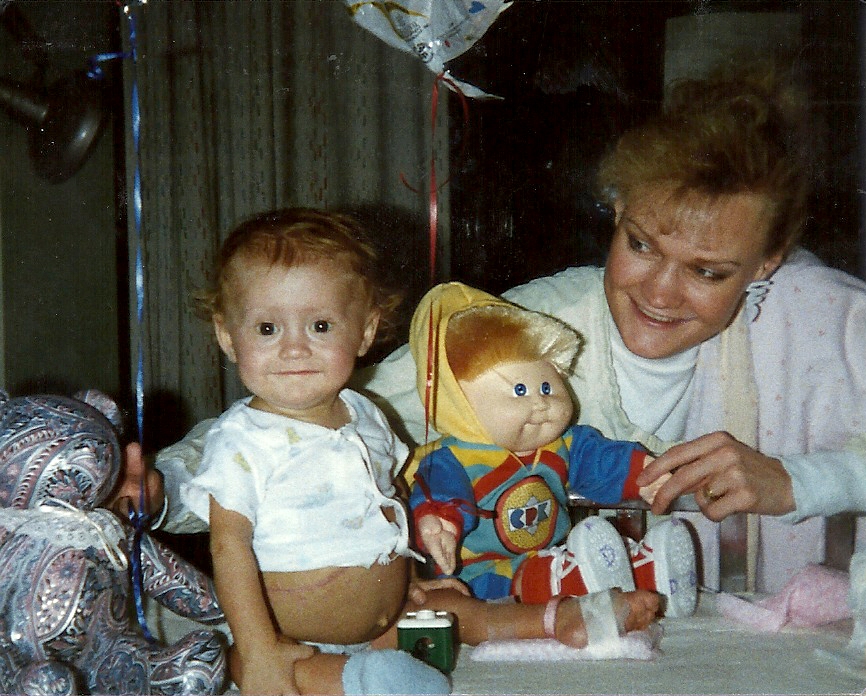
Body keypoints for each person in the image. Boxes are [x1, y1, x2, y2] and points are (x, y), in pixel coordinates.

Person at [119, 64, 866, 590]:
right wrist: (162, 487)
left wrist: (800, 480)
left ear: (770, 260)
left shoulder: (826, 319)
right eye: (641, 245)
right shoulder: (532, 327)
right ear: (614, 209)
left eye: (708, 272)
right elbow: (312, 414)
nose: (660, 293)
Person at [152, 207, 659, 695]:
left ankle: (560, 619)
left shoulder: (367, 414)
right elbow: (229, 548)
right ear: (226, 333)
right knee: (243, 664)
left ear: (366, 331)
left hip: (391, 612)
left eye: (320, 326)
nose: (294, 348)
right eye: (267, 328)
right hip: (289, 633)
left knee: (463, 614)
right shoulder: (242, 441)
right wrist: (262, 647)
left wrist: (411, 580)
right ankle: (359, 683)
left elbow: (388, 501)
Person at [406, 280, 697, 617]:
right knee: (534, 577)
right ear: (459, 404)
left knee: (582, 561)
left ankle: (651, 575)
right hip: (478, 577)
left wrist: (646, 473)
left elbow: (601, 462)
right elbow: (438, 492)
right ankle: (578, 582)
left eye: (546, 386)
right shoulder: (453, 459)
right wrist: (438, 523)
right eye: (519, 391)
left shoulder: (565, 444)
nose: (541, 403)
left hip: (552, 553)